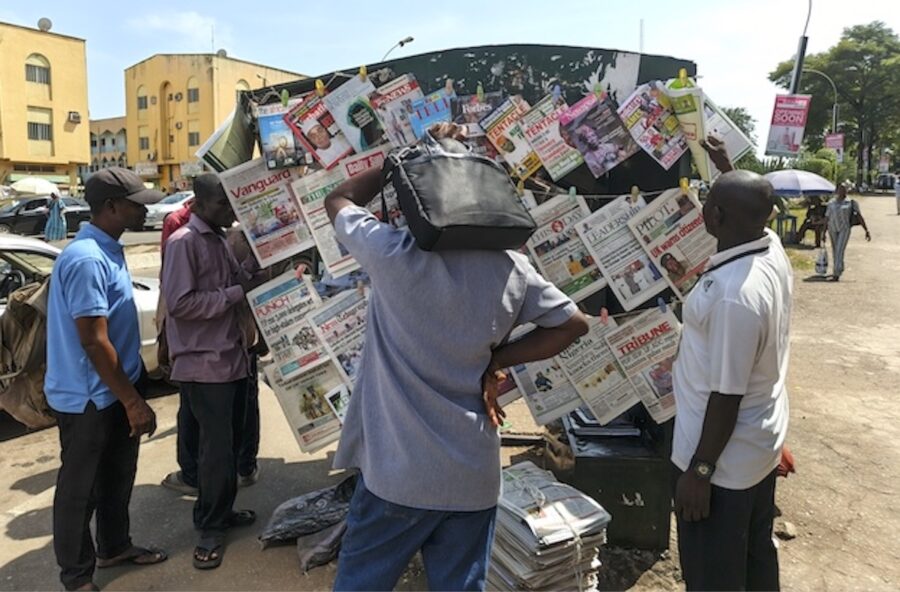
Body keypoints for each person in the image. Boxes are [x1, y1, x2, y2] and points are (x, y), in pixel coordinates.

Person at [324, 122, 589, 592]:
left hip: (397, 478)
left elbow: (339, 199)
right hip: (473, 478)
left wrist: (391, 165)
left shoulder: (392, 253)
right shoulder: (513, 268)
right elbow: (572, 324)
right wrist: (498, 358)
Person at [672, 139, 793, 591]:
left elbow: (726, 396)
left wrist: (699, 472)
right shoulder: (770, 249)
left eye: (708, 202)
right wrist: (726, 167)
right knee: (755, 558)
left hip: (722, 466)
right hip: (756, 449)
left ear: (717, 217)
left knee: (712, 577)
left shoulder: (733, 295)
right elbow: (760, 208)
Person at [45, 167, 167, 591]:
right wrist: (133, 401)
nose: (146, 211)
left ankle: (114, 546)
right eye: (138, 204)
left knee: (118, 477)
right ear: (111, 207)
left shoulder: (110, 248)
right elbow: (94, 343)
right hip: (89, 399)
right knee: (80, 493)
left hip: (116, 388)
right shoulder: (85, 259)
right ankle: (77, 577)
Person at [161, 173, 264, 569]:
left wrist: (258, 275)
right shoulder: (184, 242)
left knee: (231, 444)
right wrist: (235, 294)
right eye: (222, 204)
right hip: (204, 364)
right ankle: (208, 528)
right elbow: (182, 303)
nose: (230, 211)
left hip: (231, 356)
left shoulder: (220, 238)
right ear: (199, 204)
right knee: (215, 452)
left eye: (231, 204)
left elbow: (236, 282)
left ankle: (222, 512)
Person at [824, 183, 871, 281]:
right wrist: (823, 232)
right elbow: (827, 217)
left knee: (840, 250)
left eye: (844, 189)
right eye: (840, 189)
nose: (842, 191)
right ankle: (839, 267)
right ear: (837, 191)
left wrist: (866, 230)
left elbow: (859, 216)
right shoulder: (831, 203)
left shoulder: (851, 202)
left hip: (844, 229)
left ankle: (836, 273)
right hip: (832, 228)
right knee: (835, 250)